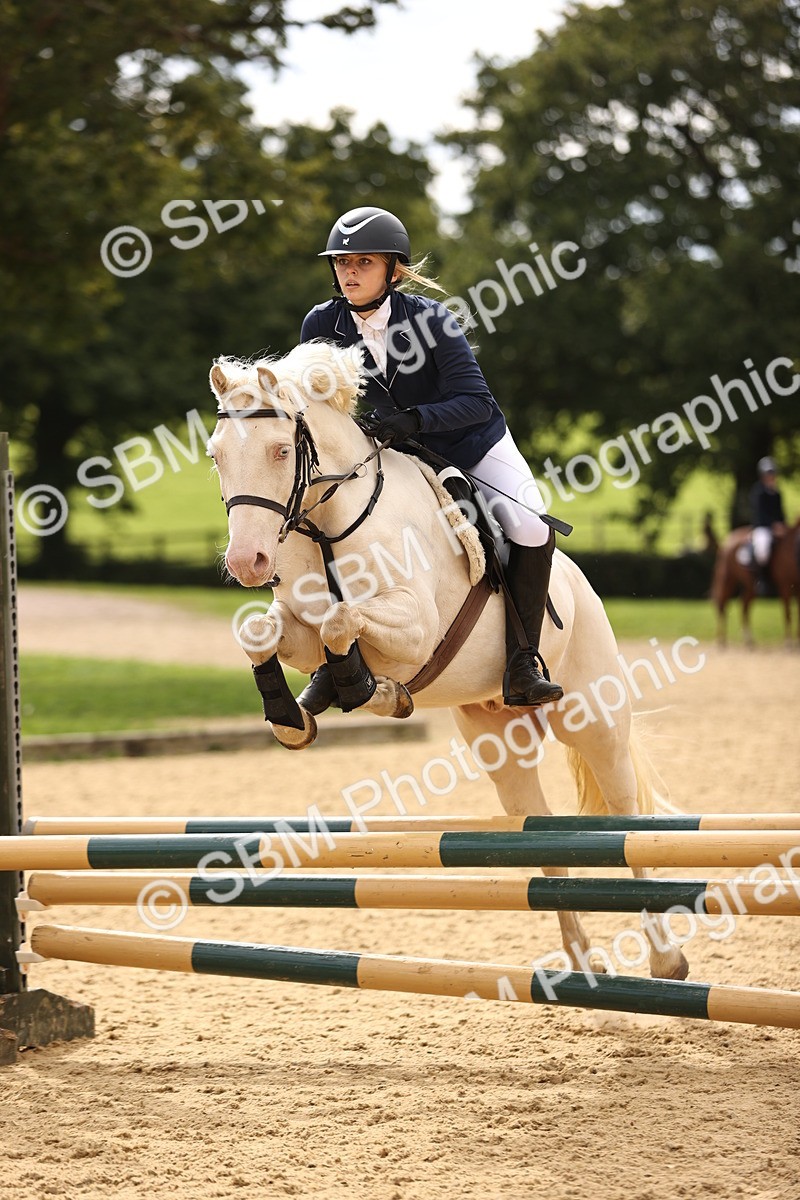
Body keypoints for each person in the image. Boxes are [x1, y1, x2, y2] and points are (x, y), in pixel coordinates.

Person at [297, 205, 564, 715]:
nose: (349, 273)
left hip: (470, 444)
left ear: (394, 270)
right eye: (341, 262)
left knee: (529, 526)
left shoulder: (432, 321)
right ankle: (333, 664)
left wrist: (413, 420)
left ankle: (522, 662)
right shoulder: (321, 323)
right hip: (390, 456)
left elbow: (476, 402)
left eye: (363, 262)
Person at [750, 456, 786, 592]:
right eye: (768, 473)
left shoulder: (777, 493)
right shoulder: (758, 492)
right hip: (762, 528)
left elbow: (781, 513)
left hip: (778, 528)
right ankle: (762, 580)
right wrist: (773, 525)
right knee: (763, 550)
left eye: (772, 473)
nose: (771, 476)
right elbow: (760, 514)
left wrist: (782, 525)